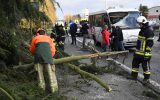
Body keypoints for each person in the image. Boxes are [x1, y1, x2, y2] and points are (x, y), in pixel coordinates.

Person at [29, 28, 58, 93]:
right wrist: (49, 57)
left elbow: (32, 50)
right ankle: (54, 89)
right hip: (48, 58)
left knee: (40, 74)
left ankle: (41, 90)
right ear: (44, 33)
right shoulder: (49, 38)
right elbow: (53, 50)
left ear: (37, 33)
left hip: (38, 58)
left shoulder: (35, 38)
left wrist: (36, 54)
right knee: (51, 74)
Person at [129, 16, 154, 84]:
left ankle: (146, 79)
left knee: (145, 67)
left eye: (140, 24)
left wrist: (147, 52)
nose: (139, 25)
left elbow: (150, 43)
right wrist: (136, 50)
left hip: (144, 53)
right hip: (138, 53)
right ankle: (134, 76)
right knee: (135, 64)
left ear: (144, 23)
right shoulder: (141, 31)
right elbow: (139, 42)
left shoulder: (149, 31)